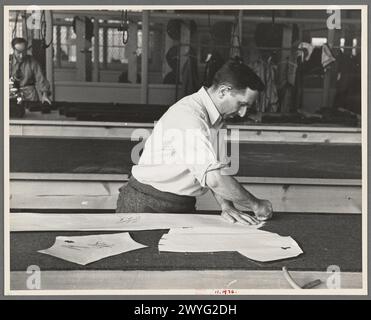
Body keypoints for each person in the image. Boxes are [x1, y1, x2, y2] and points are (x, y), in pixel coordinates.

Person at [116, 60, 273, 225]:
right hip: (146, 203)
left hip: (182, 206)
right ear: (223, 91)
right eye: (241, 104)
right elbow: (214, 178)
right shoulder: (189, 115)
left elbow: (215, 169)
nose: (242, 113)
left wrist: (226, 205)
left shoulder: (218, 121)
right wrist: (256, 204)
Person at [9, 37, 51, 104]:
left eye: (24, 52)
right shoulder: (6, 61)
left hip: (30, 96)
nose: (21, 55)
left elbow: (41, 79)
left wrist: (45, 95)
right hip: (11, 96)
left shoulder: (32, 62)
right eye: (18, 52)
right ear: (13, 50)